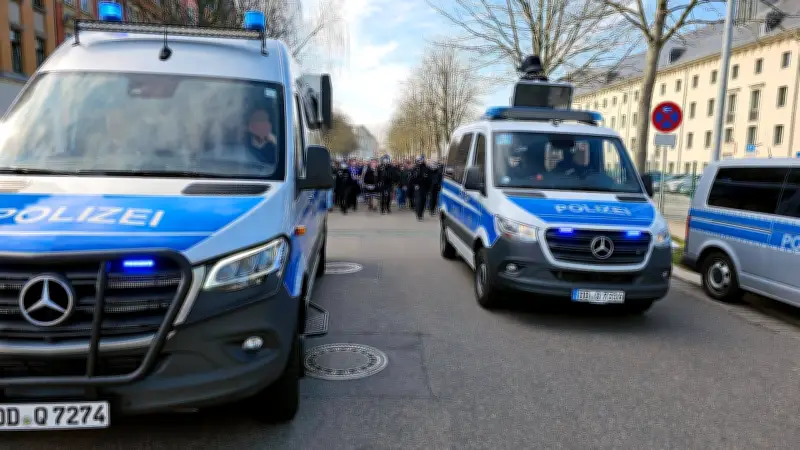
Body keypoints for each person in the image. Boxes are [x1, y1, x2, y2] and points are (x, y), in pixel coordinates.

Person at [409, 155, 431, 221]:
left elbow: (430, 179)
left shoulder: (427, 168)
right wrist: (414, 185)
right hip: (417, 187)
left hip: (425, 187)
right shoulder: (414, 168)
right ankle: (419, 215)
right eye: (420, 160)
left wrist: (429, 188)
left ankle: (421, 213)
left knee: (423, 201)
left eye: (422, 159)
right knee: (419, 201)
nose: (421, 161)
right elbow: (411, 179)